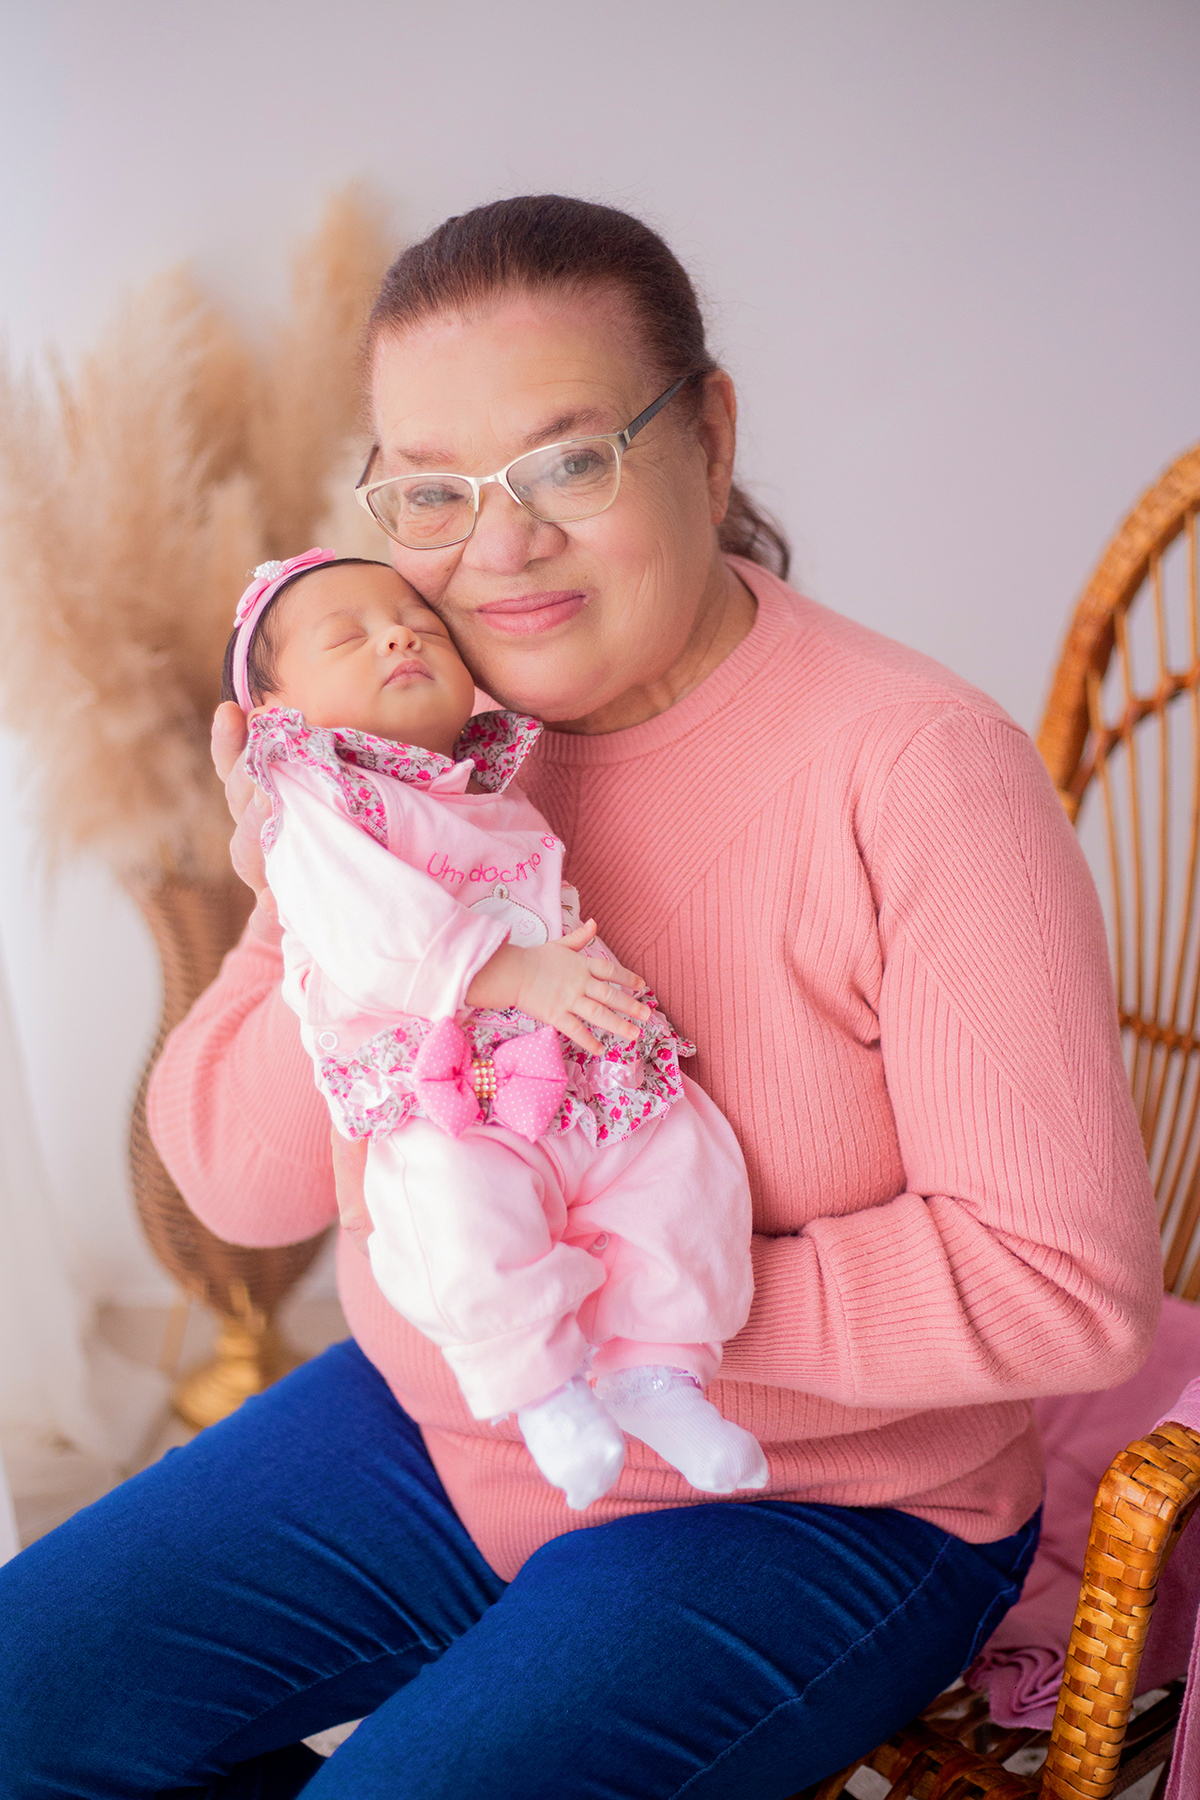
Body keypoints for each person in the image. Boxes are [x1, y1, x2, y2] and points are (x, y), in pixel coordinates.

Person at [0, 195, 1162, 1800]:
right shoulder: (421, 745)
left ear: (711, 435)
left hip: (811, 1499)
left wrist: (612, 1299)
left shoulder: (914, 770)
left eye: (566, 462)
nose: (496, 549)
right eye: (433, 491)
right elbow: (243, 1189)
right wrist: (297, 893)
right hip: (447, 1422)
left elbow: (1062, 1285)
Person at [229, 546, 766, 1507]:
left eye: (420, 623)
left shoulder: (475, 773)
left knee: (681, 1156)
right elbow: (367, 927)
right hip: (448, 1087)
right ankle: (540, 1387)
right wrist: (513, 971)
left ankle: (660, 1369)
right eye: (349, 637)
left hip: (569, 1058)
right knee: (453, 1210)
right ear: (275, 717)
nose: (400, 632)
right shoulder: (314, 791)